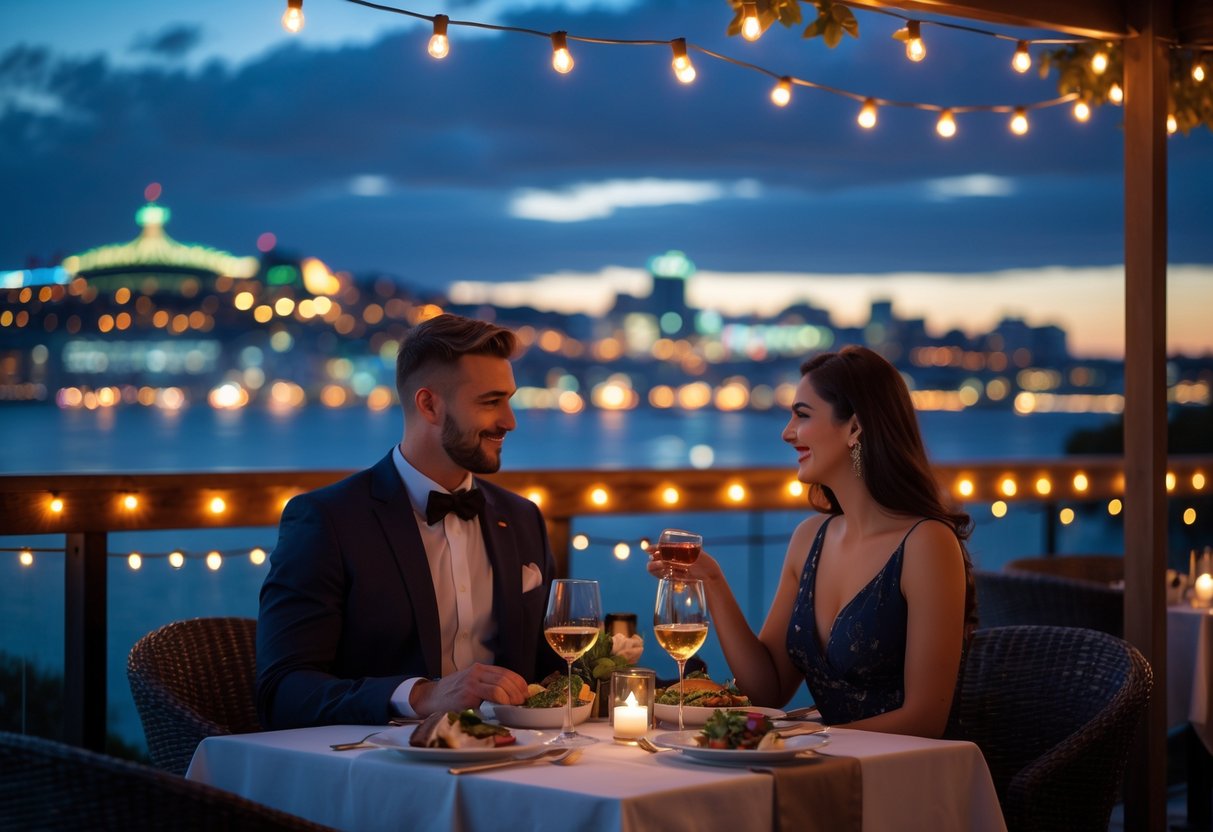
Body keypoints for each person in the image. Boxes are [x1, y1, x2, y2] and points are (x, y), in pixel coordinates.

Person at [257, 313, 563, 729]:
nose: (510, 421)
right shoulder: (327, 521)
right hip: (377, 770)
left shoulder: (522, 517)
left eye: (509, 399)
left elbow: (554, 674)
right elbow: (283, 692)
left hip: (515, 762)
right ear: (429, 404)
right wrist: (422, 695)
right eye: (491, 402)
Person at [650, 346, 975, 738]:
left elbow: (925, 722)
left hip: (902, 776)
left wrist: (804, 738)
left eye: (802, 415)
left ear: (855, 428)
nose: (787, 432)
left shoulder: (926, 544)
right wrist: (713, 582)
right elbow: (766, 690)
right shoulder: (809, 539)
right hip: (824, 769)